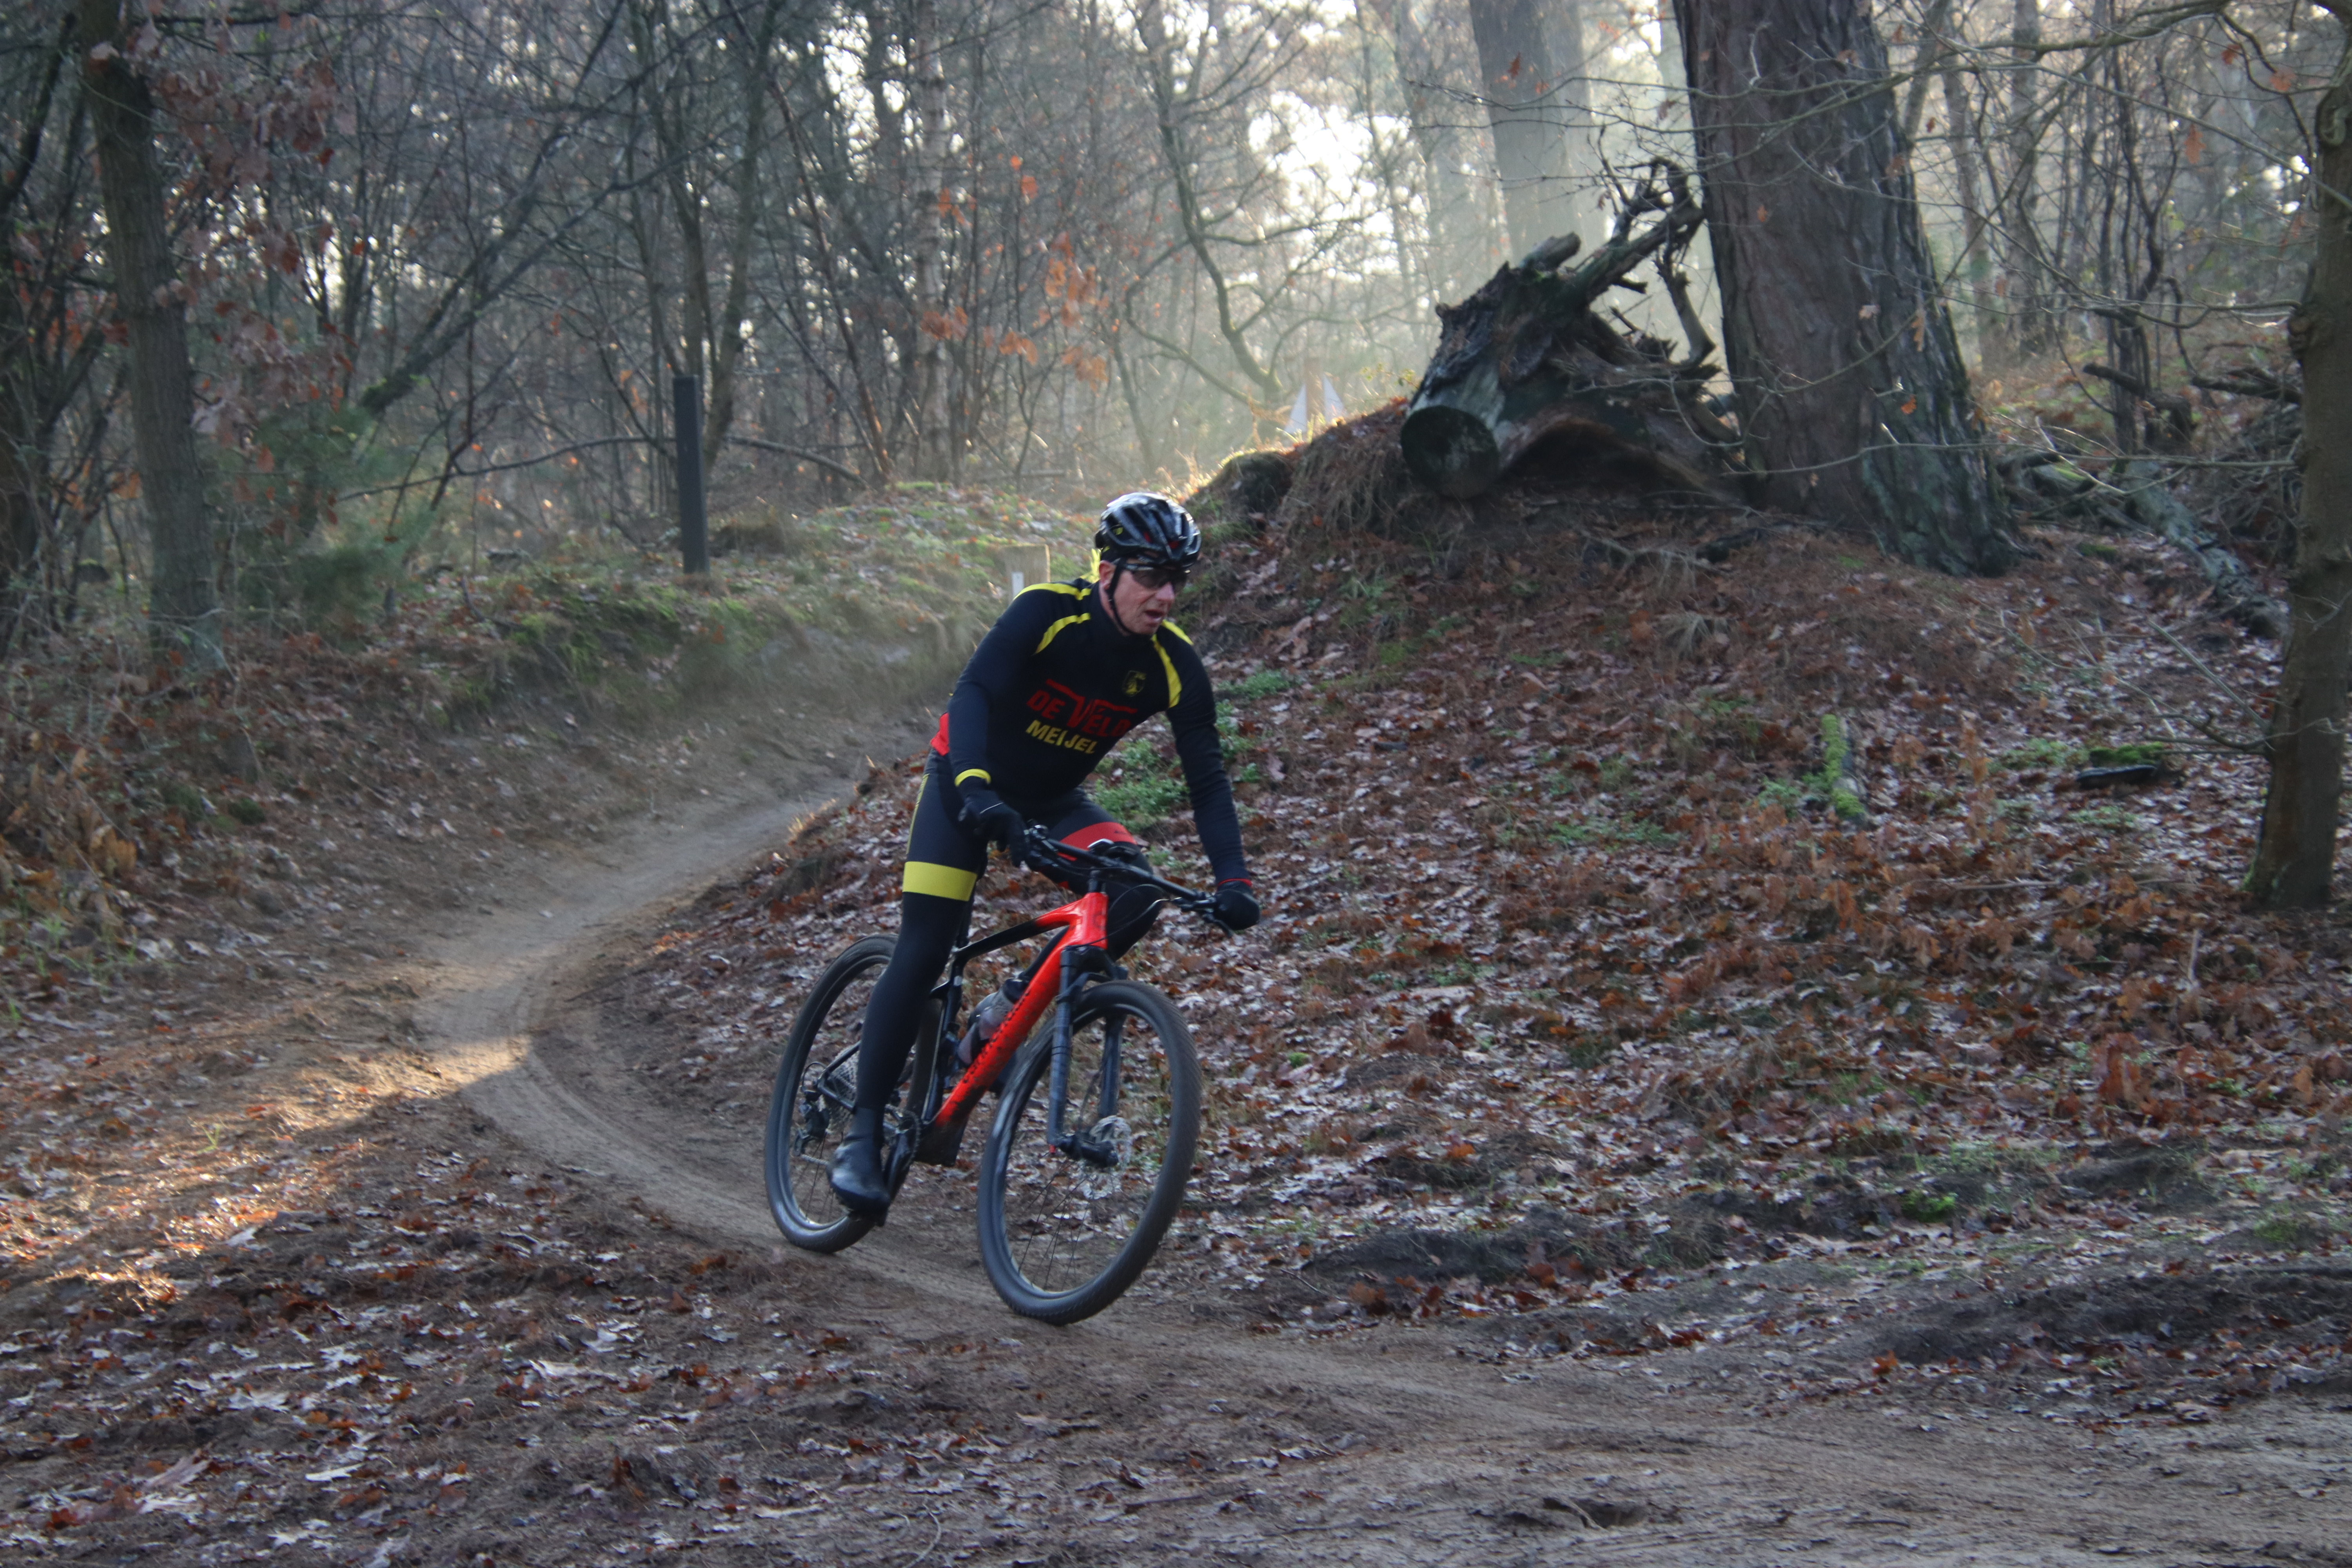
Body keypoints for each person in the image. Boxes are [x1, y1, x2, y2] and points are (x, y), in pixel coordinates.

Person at [828, 492, 1259, 1216]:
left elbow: (1208, 780)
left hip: (1052, 801)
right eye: (1151, 576)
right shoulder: (1047, 612)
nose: (1166, 596)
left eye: (1177, 580)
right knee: (928, 945)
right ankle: (862, 1132)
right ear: (1108, 570)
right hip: (965, 785)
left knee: (1135, 891)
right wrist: (976, 792)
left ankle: (1000, 1015)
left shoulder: (1174, 664)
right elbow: (973, 693)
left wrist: (1234, 881)